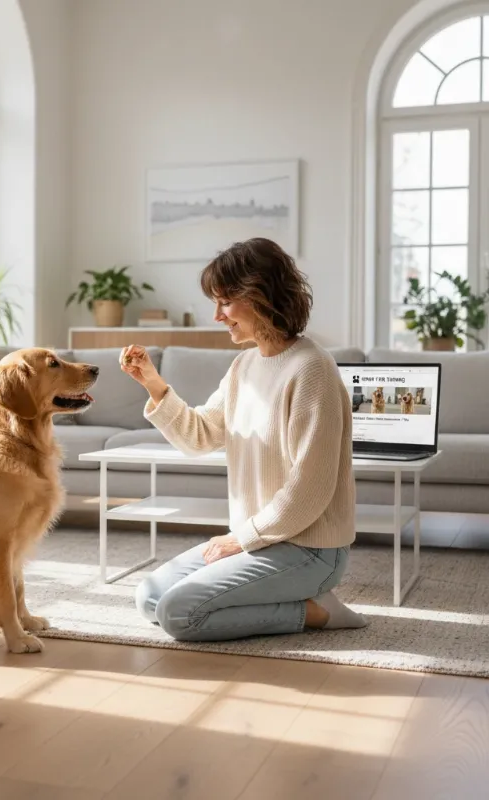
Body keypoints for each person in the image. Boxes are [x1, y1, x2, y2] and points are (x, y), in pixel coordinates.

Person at [119, 237, 366, 642]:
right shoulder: (243, 366)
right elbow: (200, 437)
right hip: (258, 541)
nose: (217, 315)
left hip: (309, 550)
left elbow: (309, 490)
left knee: (179, 614)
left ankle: (318, 611)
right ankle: (278, 600)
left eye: (225, 302)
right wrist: (154, 385)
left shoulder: (312, 370)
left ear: (260, 296)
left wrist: (240, 539)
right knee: (149, 597)